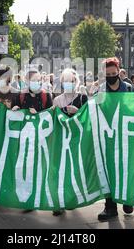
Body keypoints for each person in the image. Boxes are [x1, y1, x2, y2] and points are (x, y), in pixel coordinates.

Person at [94, 57, 134, 221]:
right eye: (108, 73)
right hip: (108, 138)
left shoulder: (129, 89)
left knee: (126, 169)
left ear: (119, 72)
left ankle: (127, 199)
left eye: (114, 73)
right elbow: (95, 111)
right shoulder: (101, 91)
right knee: (108, 171)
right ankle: (110, 207)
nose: (112, 75)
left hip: (126, 136)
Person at [51, 68, 88, 216]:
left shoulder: (82, 98)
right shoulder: (57, 100)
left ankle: (71, 199)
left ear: (76, 82)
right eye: (66, 81)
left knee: (74, 170)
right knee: (60, 170)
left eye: (71, 81)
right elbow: (52, 120)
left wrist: (77, 113)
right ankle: (58, 202)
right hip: (61, 140)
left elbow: (87, 119)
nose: (68, 84)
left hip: (75, 140)